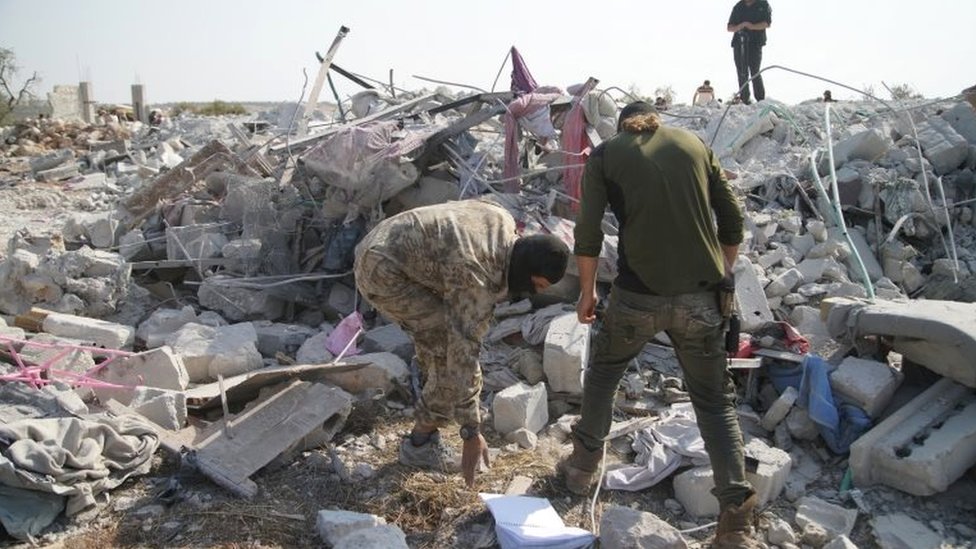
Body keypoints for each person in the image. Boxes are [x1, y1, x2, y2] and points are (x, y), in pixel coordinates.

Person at [557, 102, 760, 548]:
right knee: (714, 403)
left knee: (605, 375)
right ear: (656, 121)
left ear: (623, 123)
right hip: (702, 300)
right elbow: (732, 220)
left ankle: (580, 469)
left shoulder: (607, 155)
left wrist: (587, 291)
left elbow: (586, 230)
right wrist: (721, 273)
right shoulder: (694, 145)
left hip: (637, 295)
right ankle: (736, 523)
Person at [354, 199, 569, 488]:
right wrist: (471, 429)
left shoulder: (502, 219)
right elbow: (464, 352)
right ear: (526, 270)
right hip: (383, 272)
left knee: (440, 343)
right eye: (537, 285)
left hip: (383, 239)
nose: (533, 293)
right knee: (447, 356)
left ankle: (429, 391)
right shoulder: (476, 279)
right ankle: (420, 445)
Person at [727, 0, 772, 105]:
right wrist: (740, 26)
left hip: (755, 43)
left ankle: (760, 99)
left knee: (755, 71)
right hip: (739, 43)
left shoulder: (763, 4)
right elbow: (729, 27)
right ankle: (745, 99)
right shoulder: (738, 6)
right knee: (741, 72)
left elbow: (767, 23)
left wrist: (751, 26)